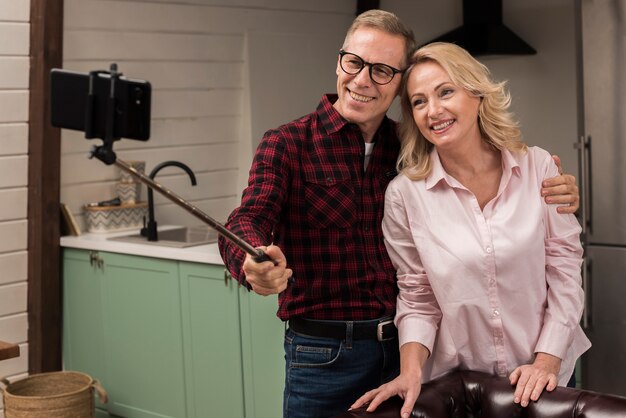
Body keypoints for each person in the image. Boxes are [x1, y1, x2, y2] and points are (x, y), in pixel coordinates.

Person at [218, 11, 580, 418]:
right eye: (353, 62)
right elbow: (247, 219)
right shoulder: (288, 144)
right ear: (339, 61)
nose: (361, 80)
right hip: (326, 354)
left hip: (413, 351)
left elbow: (551, 260)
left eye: (382, 70)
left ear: (397, 83)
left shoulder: (411, 147)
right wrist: (252, 261)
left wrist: (551, 187)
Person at [350, 42, 592, 418]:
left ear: (478, 94)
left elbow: (564, 272)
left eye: (446, 92)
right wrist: (409, 371)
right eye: (418, 101)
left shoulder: (538, 168)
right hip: (461, 388)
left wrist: (546, 361)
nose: (433, 111)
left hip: (544, 377)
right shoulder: (404, 195)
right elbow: (417, 296)